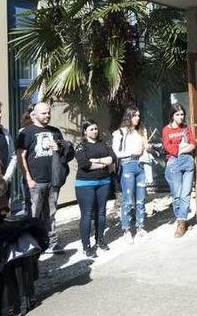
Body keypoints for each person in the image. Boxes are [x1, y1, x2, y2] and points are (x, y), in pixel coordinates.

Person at [16, 102, 70, 253]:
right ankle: (33, 243)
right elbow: (21, 156)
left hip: (53, 180)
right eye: (43, 113)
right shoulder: (26, 132)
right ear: (35, 114)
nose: (47, 116)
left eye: (48, 113)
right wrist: (28, 178)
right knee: (34, 214)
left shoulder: (55, 131)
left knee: (51, 213)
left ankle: (52, 242)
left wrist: (59, 148)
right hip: (36, 181)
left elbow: (63, 152)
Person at [74, 120, 116, 257]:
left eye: (96, 128)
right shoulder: (81, 146)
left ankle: (100, 240)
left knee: (102, 212)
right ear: (85, 131)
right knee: (86, 214)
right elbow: (84, 164)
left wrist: (96, 161)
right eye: (91, 129)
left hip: (103, 182)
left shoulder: (104, 143)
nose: (95, 131)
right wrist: (104, 162)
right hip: (85, 184)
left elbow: (113, 158)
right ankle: (86, 245)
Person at [112, 106, 151, 243]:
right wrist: (132, 152)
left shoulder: (141, 131)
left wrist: (148, 146)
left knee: (141, 198)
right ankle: (126, 229)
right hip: (127, 164)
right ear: (128, 116)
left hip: (140, 164)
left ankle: (140, 227)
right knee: (127, 199)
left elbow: (146, 147)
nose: (137, 118)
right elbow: (116, 152)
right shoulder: (120, 133)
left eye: (139, 116)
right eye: (134, 115)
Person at [160, 104, 196, 238]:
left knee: (186, 193)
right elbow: (168, 147)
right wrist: (180, 147)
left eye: (182, 114)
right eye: (177, 114)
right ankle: (179, 216)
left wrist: (182, 148)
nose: (180, 117)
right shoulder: (166, 130)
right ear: (172, 116)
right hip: (174, 162)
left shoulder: (186, 128)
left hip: (187, 161)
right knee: (177, 194)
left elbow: (193, 144)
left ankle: (182, 222)